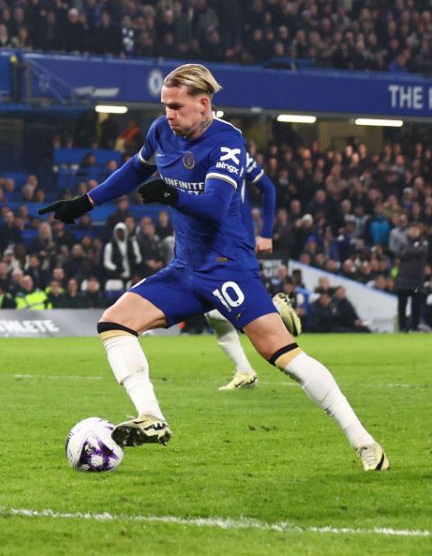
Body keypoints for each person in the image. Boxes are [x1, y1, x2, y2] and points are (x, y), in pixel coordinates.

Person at [38, 64, 387, 471]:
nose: (169, 113)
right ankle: (152, 418)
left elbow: (216, 207)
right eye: (165, 105)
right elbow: (136, 168)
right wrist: (87, 202)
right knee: (114, 323)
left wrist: (171, 194)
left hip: (228, 267)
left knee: (281, 354)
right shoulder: (161, 132)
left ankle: (365, 443)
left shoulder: (227, 143)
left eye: (177, 106)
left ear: (203, 104)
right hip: (185, 267)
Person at [204, 148, 280, 391]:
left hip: (235, 240)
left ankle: (278, 311)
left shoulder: (234, 154)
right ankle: (244, 371)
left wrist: (266, 233)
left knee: (218, 308)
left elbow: (268, 188)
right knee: (212, 311)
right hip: (209, 242)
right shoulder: (191, 153)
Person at [393, 223, 428, 332]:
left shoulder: (424, 243)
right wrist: (412, 250)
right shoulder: (403, 243)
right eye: (411, 229)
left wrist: (408, 251)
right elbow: (399, 254)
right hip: (403, 280)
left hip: (417, 282)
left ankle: (414, 327)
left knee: (416, 305)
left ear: (419, 231)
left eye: (415, 229)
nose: (413, 231)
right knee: (401, 305)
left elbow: (421, 252)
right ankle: (402, 328)